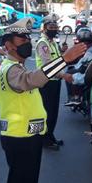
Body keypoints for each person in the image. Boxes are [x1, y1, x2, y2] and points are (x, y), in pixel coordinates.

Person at [0, 18, 87, 183]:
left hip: (28, 136)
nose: (28, 41)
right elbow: (31, 80)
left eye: (29, 37)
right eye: (22, 38)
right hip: (20, 139)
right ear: (8, 45)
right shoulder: (11, 70)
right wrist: (64, 60)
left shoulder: (17, 66)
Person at [35, 15, 65, 150]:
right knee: (47, 112)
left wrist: (64, 51)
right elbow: (48, 65)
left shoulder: (53, 42)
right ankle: (45, 139)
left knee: (53, 112)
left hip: (55, 81)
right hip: (46, 82)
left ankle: (50, 136)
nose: (53, 29)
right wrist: (64, 75)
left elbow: (57, 60)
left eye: (55, 27)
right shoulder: (43, 44)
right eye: (50, 27)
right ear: (45, 28)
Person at [64, 27, 92, 106]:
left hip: (86, 69)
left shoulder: (80, 47)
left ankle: (74, 97)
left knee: (68, 74)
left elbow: (74, 59)